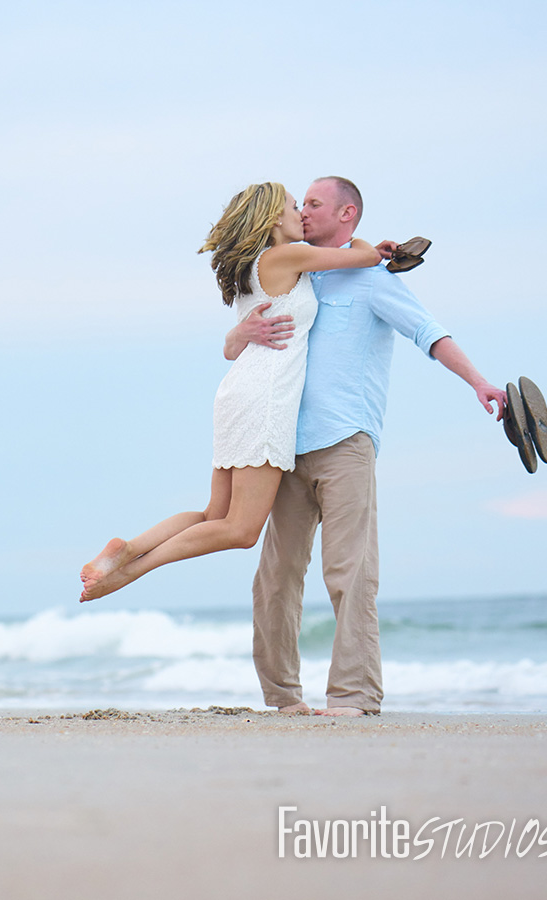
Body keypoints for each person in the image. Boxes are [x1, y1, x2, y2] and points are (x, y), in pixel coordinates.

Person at [227, 176, 506, 717]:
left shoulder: (375, 281)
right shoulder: (298, 275)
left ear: (346, 212)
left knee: (350, 573)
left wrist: (478, 381)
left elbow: (429, 332)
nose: (302, 212)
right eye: (300, 204)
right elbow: (239, 333)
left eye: (314, 203)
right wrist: (240, 338)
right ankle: (282, 698)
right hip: (279, 443)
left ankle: (354, 696)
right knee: (275, 578)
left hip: (346, 441)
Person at [79, 182, 384, 604]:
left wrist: (235, 336)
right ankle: (132, 569)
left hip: (240, 392)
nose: (302, 215)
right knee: (240, 530)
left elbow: (231, 347)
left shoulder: (251, 267)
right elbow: (365, 255)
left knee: (212, 515)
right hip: (267, 398)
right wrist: (371, 242)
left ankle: (129, 548)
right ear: (276, 218)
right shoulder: (287, 256)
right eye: (296, 207)